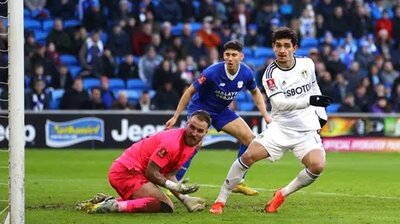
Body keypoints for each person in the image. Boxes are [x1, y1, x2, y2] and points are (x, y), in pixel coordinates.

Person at [210, 27, 332, 214]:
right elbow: (280, 103)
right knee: (249, 156)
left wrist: (321, 115)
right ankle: (221, 199)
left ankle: (281, 194)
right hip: (281, 128)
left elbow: (314, 88)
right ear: (273, 48)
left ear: (295, 48)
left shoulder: (307, 64)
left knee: (317, 166)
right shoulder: (270, 73)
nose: (282, 50)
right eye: (278, 46)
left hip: (306, 130)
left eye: (286, 46)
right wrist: (308, 101)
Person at [165, 40, 272, 196]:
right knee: (195, 143)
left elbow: (255, 92)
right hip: (200, 109)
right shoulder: (211, 72)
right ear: (223, 55)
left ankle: (237, 182)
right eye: (227, 54)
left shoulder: (246, 73)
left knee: (249, 139)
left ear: (241, 56)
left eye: (234, 55)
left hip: (221, 111)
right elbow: (189, 92)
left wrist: (266, 115)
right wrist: (175, 116)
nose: (230, 58)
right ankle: (175, 182)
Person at [78, 110, 211, 214]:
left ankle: (104, 201)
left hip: (133, 172)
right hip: (126, 172)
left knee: (157, 202)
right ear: (187, 124)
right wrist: (174, 186)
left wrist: (185, 199)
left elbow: (169, 175)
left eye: (199, 131)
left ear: (206, 132)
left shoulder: (192, 146)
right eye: (192, 127)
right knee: (166, 205)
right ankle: (115, 206)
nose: (194, 133)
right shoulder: (172, 143)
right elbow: (151, 172)